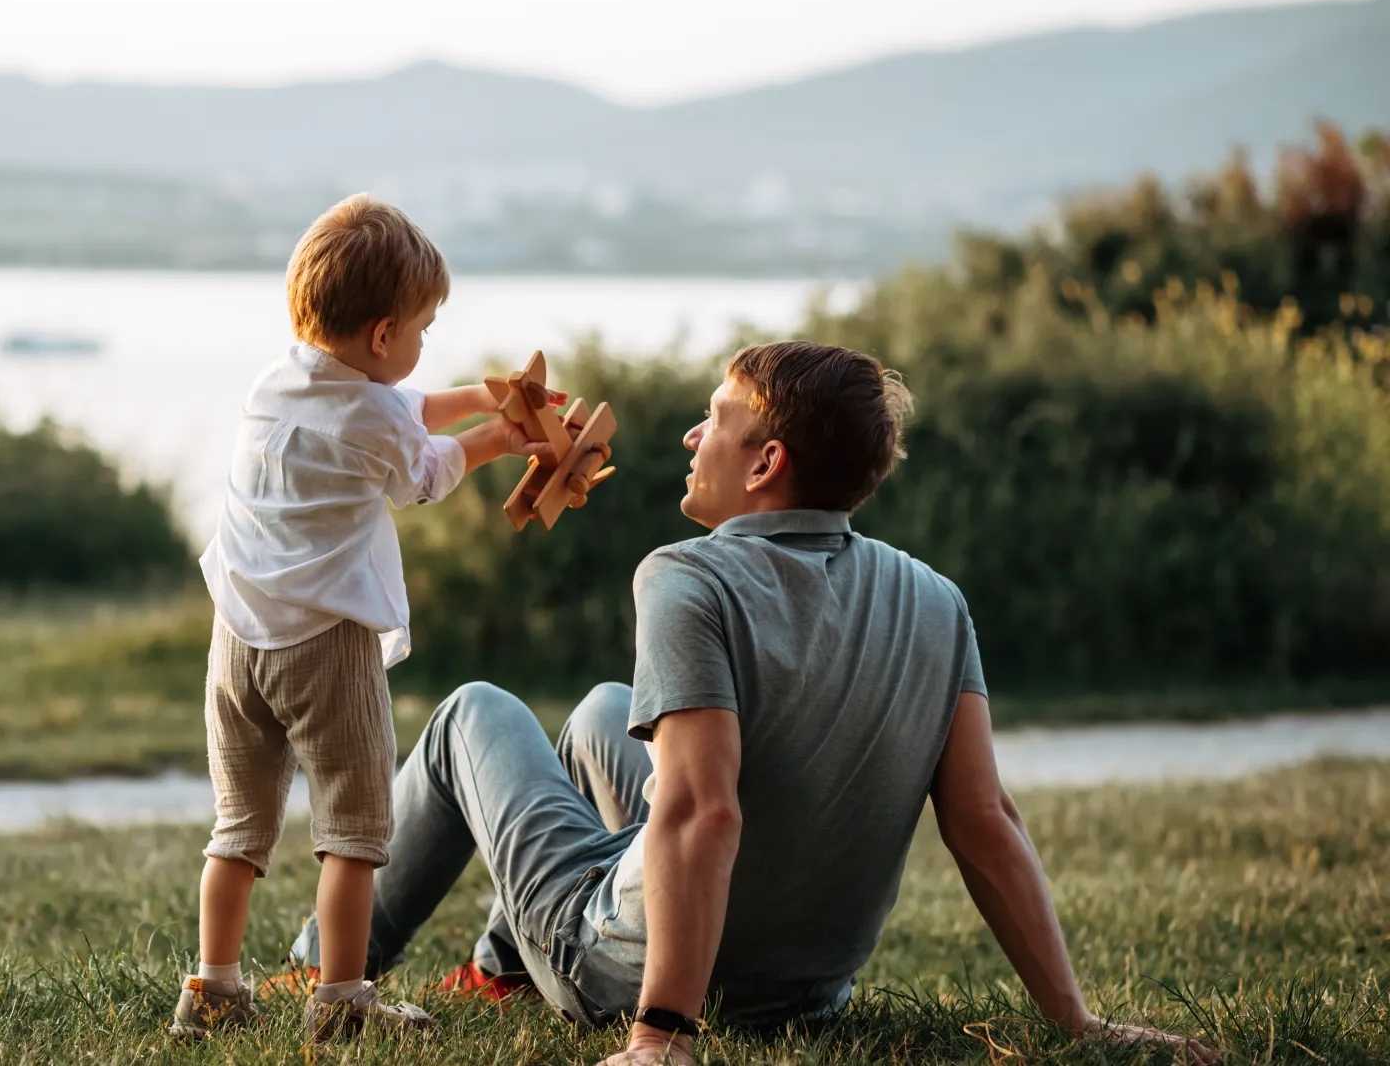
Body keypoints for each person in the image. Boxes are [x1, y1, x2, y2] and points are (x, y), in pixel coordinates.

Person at [282, 339, 1218, 1065]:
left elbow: (703, 809)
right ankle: (500, 972)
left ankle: (318, 971)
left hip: (625, 969)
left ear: (765, 461)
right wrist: (1079, 1026)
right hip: (807, 994)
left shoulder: (686, 578)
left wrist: (662, 1031)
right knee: (607, 711)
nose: (692, 438)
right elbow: (984, 819)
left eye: (713, 420)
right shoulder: (937, 599)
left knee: (471, 715)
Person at [172, 193, 549, 1044]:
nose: (422, 348)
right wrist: (501, 437)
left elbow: (399, 409)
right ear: (383, 335)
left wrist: (482, 398)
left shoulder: (278, 379)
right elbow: (422, 472)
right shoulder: (376, 411)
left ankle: (214, 987)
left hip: (236, 640)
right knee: (352, 832)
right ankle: (342, 999)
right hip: (323, 645)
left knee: (238, 828)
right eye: (420, 329)